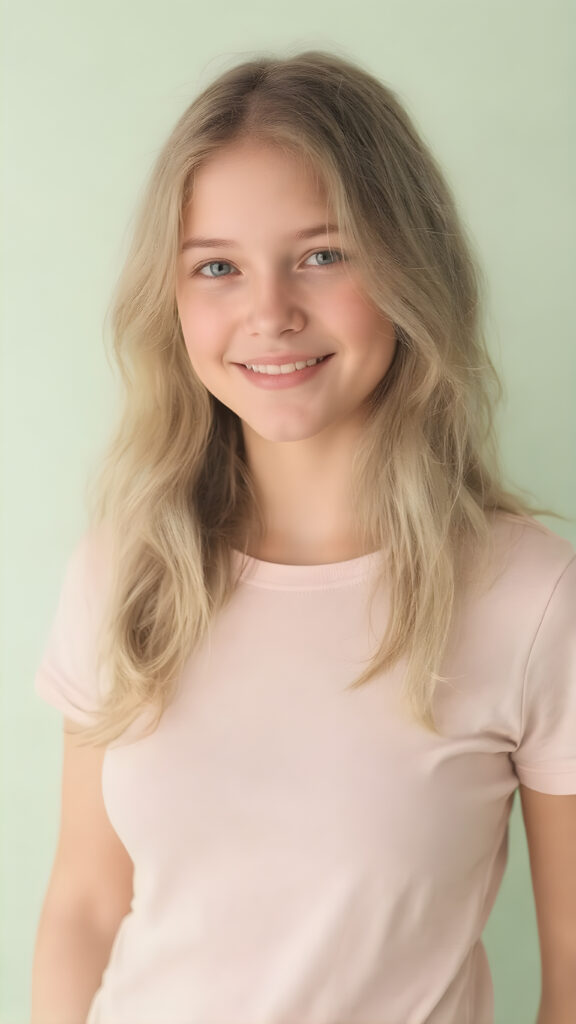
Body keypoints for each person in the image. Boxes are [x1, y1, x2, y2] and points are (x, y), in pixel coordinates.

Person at [30, 49, 576, 1024]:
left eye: (323, 254)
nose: (270, 312)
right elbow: (82, 904)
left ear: (410, 263)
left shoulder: (528, 594)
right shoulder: (126, 570)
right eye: (217, 267)